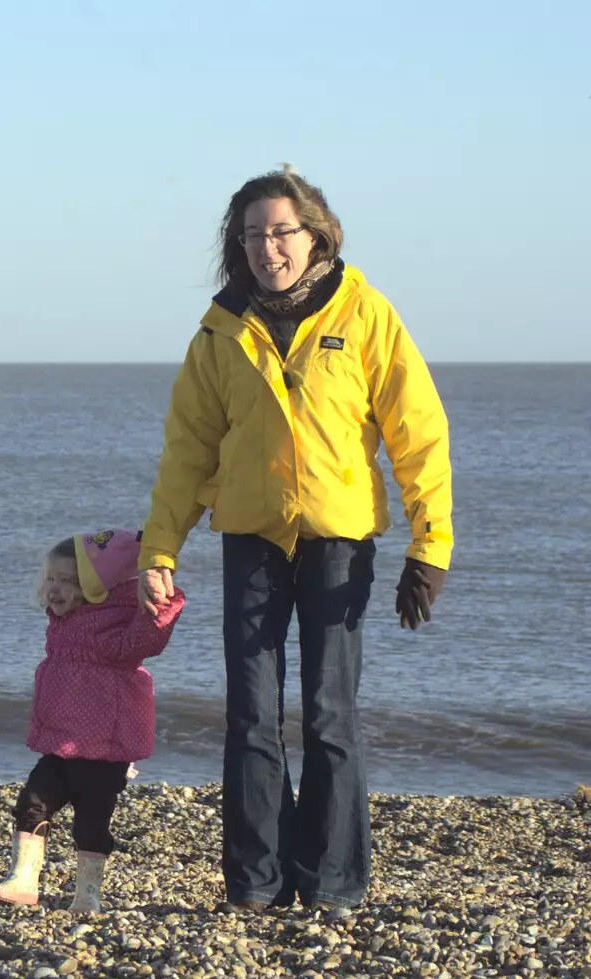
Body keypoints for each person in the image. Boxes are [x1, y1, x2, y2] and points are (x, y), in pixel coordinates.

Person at [138, 165, 453, 913]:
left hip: (339, 542)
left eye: (281, 231)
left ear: (317, 235)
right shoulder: (219, 330)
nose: (267, 247)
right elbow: (188, 451)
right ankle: (257, 883)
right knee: (250, 713)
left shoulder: (366, 314)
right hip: (252, 537)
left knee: (328, 714)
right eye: (252, 234)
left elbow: (418, 434)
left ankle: (335, 882)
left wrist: (430, 545)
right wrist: (160, 548)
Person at [0, 529, 185, 912]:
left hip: (103, 751)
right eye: (52, 579)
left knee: (90, 824)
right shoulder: (63, 622)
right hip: (60, 745)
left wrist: (161, 601)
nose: (55, 589)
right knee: (32, 803)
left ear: (95, 587)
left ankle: (88, 894)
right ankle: (23, 880)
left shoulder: (114, 626)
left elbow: (147, 639)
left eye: (69, 581)